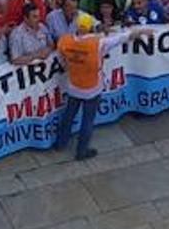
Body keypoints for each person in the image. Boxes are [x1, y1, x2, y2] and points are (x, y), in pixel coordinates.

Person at [51, 12, 150, 160]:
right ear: (91, 27)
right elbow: (122, 38)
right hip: (92, 88)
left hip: (74, 85)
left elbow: (61, 59)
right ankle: (81, 151)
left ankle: (60, 143)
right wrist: (141, 31)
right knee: (87, 120)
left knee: (68, 116)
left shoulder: (65, 41)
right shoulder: (98, 43)